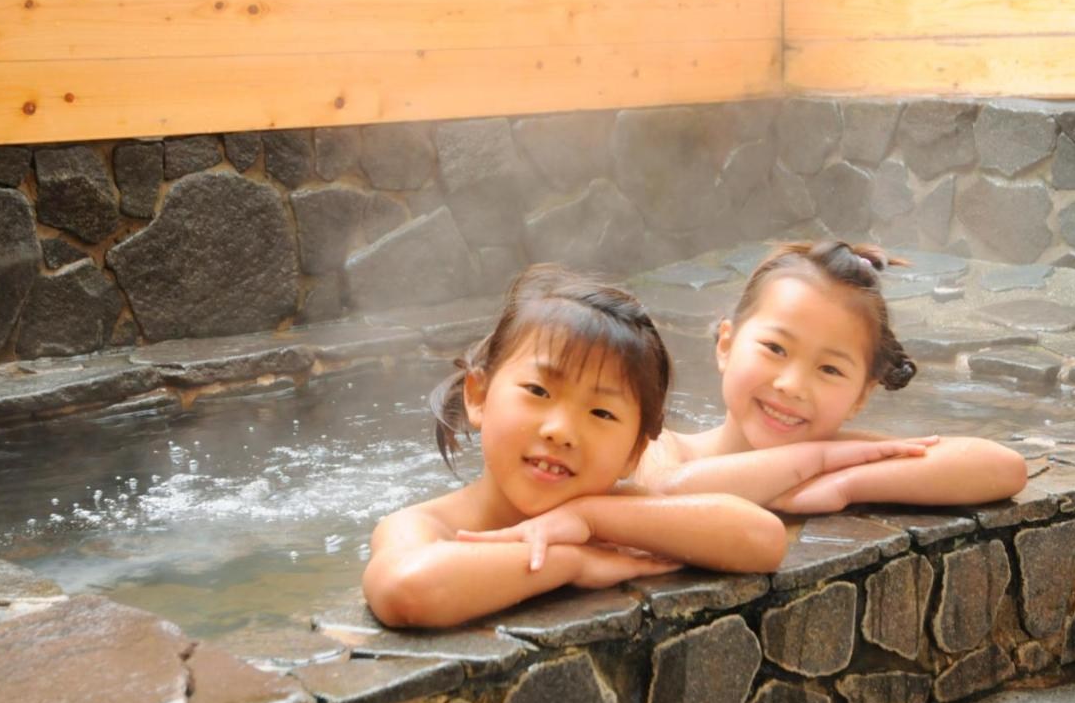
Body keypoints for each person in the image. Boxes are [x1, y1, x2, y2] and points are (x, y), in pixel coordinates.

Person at [362, 265, 787, 628]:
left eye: (601, 413)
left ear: (634, 452)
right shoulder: (427, 525)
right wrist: (572, 563)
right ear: (478, 395)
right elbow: (405, 589)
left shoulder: (616, 511)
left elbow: (763, 539)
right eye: (538, 391)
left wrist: (587, 517)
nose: (561, 431)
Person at [634, 241, 1028, 514]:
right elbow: (668, 488)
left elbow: (1003, 466)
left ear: (861, 396)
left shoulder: (845, 458)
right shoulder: (663, 445)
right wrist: (814, 460)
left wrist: (847, 485)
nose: (792, 385)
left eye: (830, 369)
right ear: (726, 344)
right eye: (775, 348)